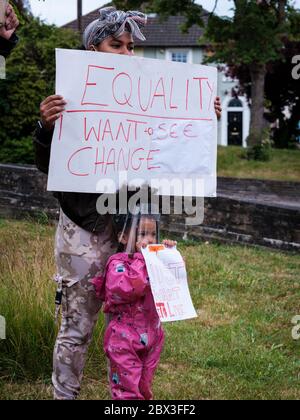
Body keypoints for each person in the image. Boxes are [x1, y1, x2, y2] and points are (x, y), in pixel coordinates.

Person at [33, 6, 222, 400]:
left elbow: (170, 147)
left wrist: (201, 119)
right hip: (83, 227)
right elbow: (48, 166)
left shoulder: (146, 93)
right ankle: (64, 394)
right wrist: (46, 128)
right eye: (115, 45)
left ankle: (127, 397)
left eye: (130, 46)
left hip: (132, 231)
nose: (125, 53)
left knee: (133, 322)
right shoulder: (69, 96)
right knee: (77, 323)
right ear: (92, 50)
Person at [92, 211, 177, 400]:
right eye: (142, 234)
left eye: (153, 234)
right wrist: (144, 260)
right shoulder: (118, 264)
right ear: (123, 236)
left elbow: (175, 280)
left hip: (152, 336)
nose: (149, 240)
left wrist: (170, 255)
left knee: (144, 386)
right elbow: (130, 286)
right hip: (124, 341)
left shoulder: (156, 260)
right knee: (126, 389)